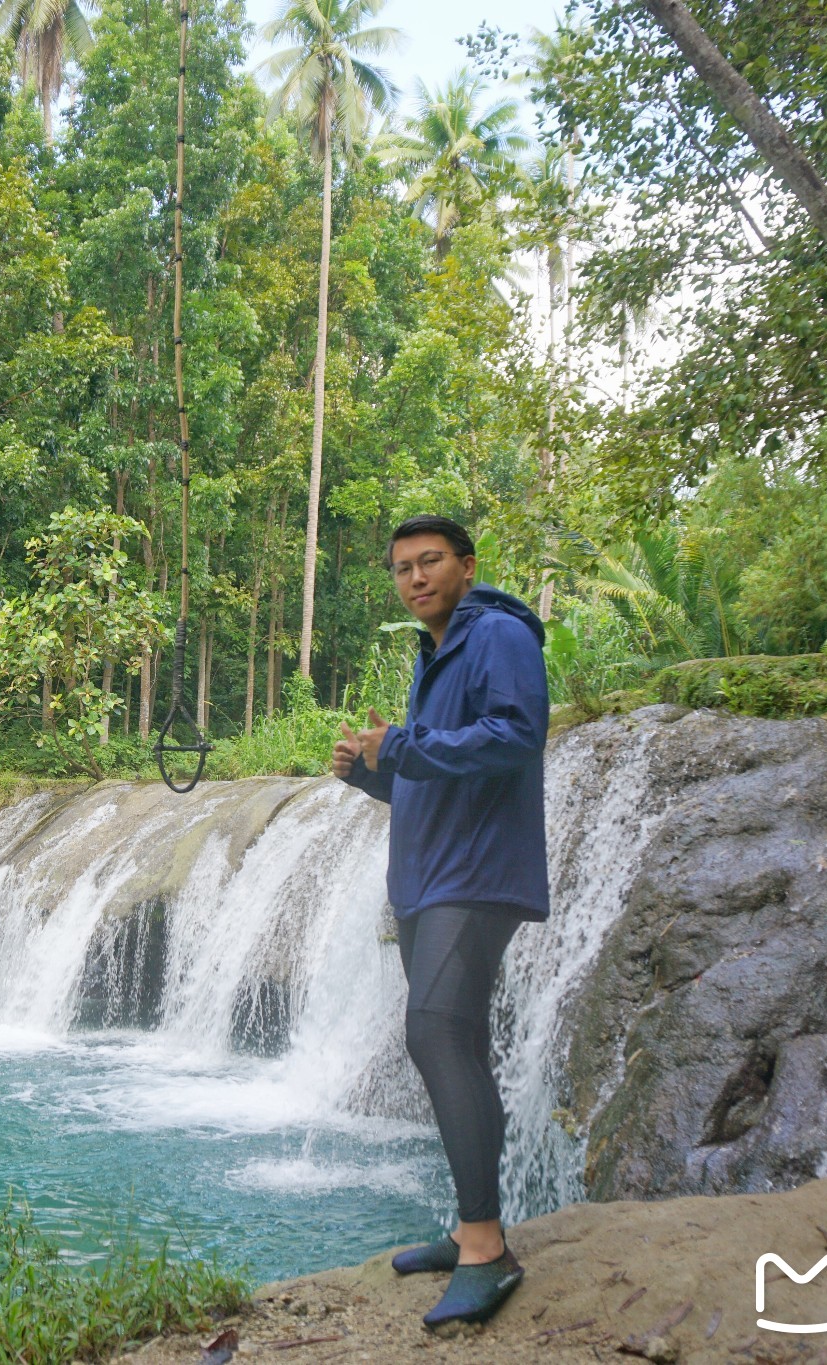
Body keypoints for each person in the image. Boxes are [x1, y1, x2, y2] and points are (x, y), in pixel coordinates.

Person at [332, 513, 549, 1331]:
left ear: (466, 565)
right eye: (402, 569)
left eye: (430, 563)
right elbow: (433, 769)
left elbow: (516, 735)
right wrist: (374, 774)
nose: (415, 578)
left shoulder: (497, 636)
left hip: (477, 876)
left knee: (434, 1033)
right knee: (457, 1044)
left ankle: (489, 1250)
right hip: (427, 880)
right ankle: (469, 1229)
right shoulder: (436, 653)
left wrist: (407, 745)